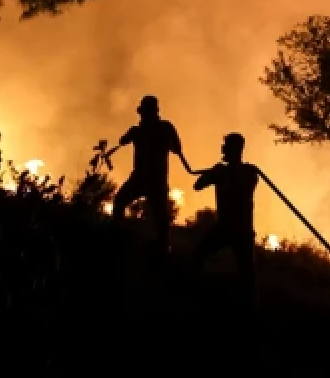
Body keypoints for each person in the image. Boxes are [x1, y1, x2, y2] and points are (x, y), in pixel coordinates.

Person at [110, 95, 192, 259]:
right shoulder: (155, 129)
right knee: (155, 216)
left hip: (150, 180)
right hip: (148, 179)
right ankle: (121, 239)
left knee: (158, 217)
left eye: (144, 113)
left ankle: (158, 249)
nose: (142, 117)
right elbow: (177, 148)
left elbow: (176, 148)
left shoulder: (159, 129)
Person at [192, 132, 263, 298]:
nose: (222, 149)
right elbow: (197, 185)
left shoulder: (247, 172)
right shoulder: (238, 172)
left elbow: (244, 188)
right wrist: (213, 173)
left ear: (234, 149)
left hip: (238, 230)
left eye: (226, 146)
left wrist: (217, 173)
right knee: (199, 254)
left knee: (247, 274)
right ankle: (196, 292)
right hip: (227, 229)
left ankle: (250, 309)